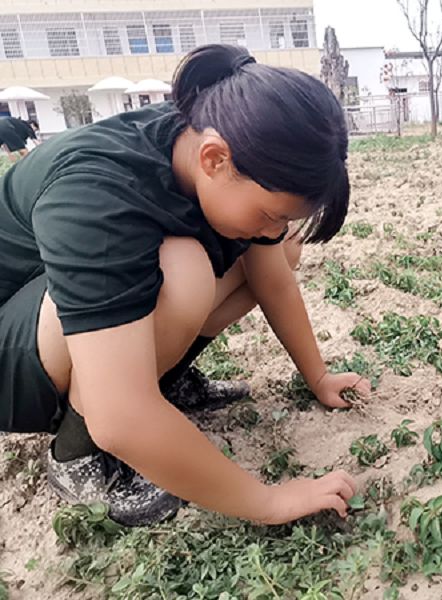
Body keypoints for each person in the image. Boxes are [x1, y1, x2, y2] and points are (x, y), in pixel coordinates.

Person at [0, 44, 369, 527]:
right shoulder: (98, 191)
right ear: (215, 159)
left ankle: (161, 381)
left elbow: (272, 277)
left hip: (54, 317)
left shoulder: (209, 139)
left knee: (274, 252)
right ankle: (75, 454)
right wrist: (269, 502)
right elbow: (121, 416)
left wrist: (317, 377)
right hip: (12, 357)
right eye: (271, 213)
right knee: (183, 270)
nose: (272, 229)